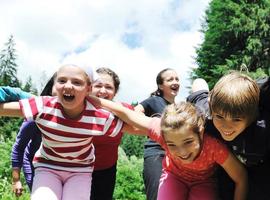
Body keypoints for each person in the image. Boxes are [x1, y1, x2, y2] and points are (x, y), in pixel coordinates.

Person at [0, 64, 124, 200]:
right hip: (47, 165)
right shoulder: (42, 108)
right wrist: (16, 178)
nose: (68, 87)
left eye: (109, 87)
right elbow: (19, 146)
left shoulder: (105, 115)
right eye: (62, 81)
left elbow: (139, 123)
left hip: (91, 170)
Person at [89, 96, 248, 200]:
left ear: (200, 131)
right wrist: (91, 100)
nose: (182, 152)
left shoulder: (213, 147)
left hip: (203, 181)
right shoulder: (163, 130)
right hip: (174, 176)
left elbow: (241, 176)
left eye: (188, 142)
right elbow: (127, 114)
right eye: (172, 145)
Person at [187, 71, 270, 200]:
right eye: (219, 117)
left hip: (261, 169)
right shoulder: (206, 117)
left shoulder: (263, 128)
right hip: (227, 172)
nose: (226, 126)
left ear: (252, 118)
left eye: (236, 119)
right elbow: (199, 85)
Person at [134, 68, 180, 200]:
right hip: (156, 154)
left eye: (177, 79)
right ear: (160, 85)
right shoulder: (154, 100)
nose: (175, 81)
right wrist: (152, 127)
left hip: (176, 157)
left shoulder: (178, 108)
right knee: (156, 196)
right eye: (170, 79)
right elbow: (135, 113)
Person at [90, 67, 134, 200]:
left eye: (108, 87)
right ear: (89, 88)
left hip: (106, 170)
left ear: (115, 92)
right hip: (76, 168)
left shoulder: (123, 110)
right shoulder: (78, 107)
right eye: (98, 85)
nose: (103, 91)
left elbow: (142, 124)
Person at [10, 74, 56, 196]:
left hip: (58, 166)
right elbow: (19, 148)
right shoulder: (35, 117)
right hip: (34, 164)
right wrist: (16, 180)